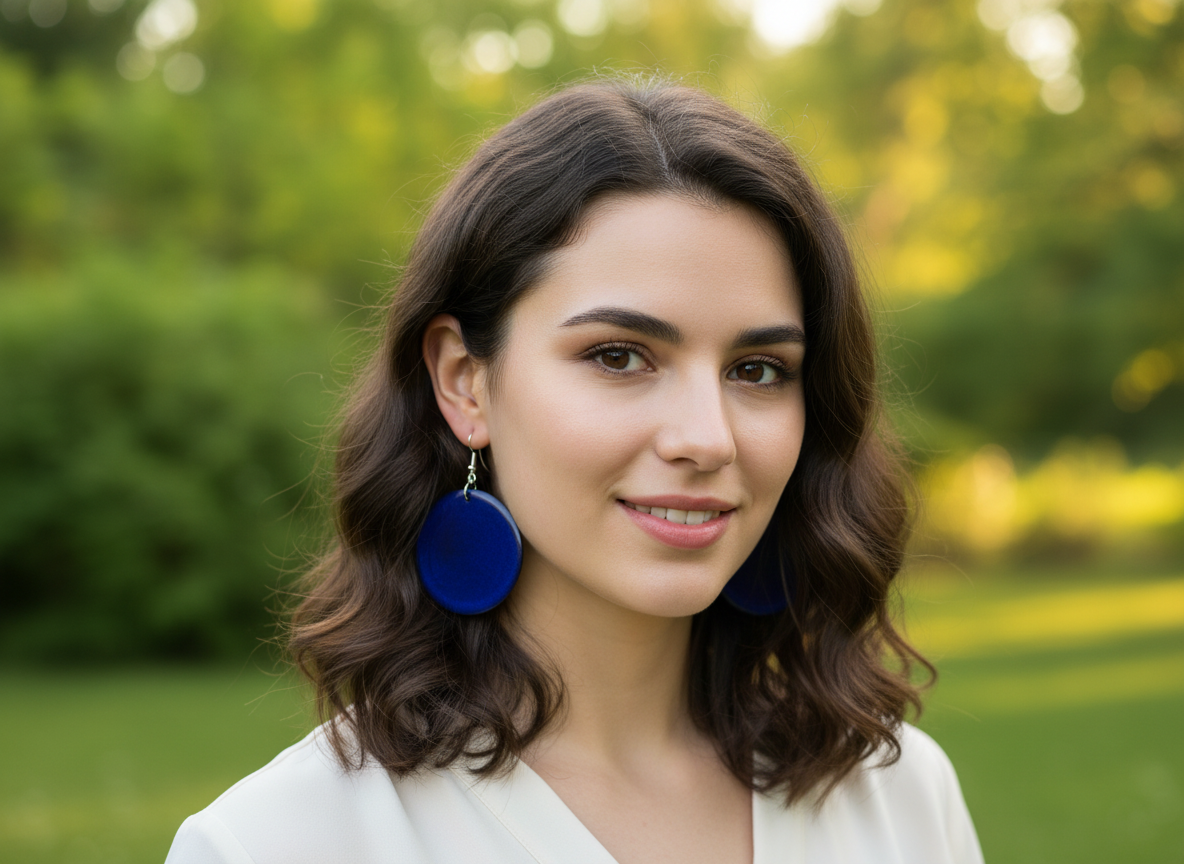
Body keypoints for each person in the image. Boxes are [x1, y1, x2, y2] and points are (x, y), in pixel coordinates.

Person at [165, 77, 983, 864]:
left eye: (758, 369)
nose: (708, 439)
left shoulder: (902, 797)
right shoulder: (275, 846)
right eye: (619, 356)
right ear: (464, 381)